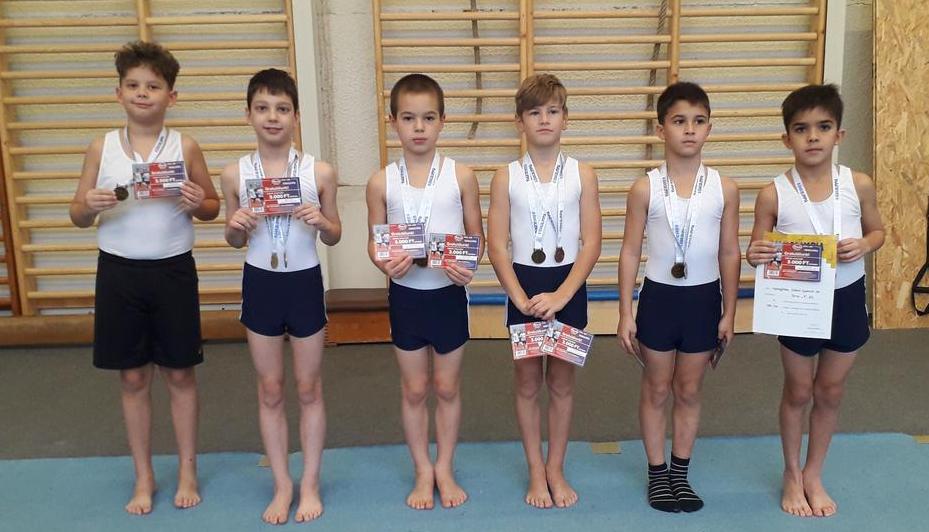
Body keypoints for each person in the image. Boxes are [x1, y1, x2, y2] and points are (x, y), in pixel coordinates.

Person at [69, 40, 220, 515]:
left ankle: (188, 469)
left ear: (170, 96)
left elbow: (212, 207)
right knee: (133, 376)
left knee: (180, 372)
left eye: (153, 86)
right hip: (119, 271)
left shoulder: (184, 146)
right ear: (118, 93)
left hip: (172, 270)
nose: (142, 93)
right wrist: (89, 205)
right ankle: (143, 475)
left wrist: (197, 202)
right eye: (133, 85)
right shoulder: (101, 147)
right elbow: (76, 214)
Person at [746, 84, 884, 518]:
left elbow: (879, 231)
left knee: (830, 390)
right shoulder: (773, 193)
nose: (812, 137)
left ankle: (813, 473)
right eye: (801, 129)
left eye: (823, 127)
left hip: (846, 298)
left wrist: (864, 244)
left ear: (839, 134)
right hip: (798, 302)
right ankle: (791, 472)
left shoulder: (857, 184)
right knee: (799, 389)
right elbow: (755, 248)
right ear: (786, 138)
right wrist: (757, 252)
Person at [222, 68, 341, 524]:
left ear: (296, 115)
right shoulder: (235, 173)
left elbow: (334, 234)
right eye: (263, 108)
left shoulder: (318, 171)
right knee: (270, 388)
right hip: (261, 283)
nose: (272, 117)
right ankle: (281, 484)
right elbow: (234, 239)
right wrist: (235, 227)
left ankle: (309, 483)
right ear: (248, 114)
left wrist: (321, 221)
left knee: (309, 387)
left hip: (303, 281)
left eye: (282, 109)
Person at [617, 82, 740, 513]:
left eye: (699, 121)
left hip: (703, 300)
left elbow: (729, 251)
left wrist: (729, 311)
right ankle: (657, 473)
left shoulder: (724, 188)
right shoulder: (645, 188)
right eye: (679, 121)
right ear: (660, 129)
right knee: (656, 387)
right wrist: (625, 312)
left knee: (688, 389)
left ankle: (680, 474)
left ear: (709, 128)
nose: (689, 130)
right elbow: (629, 250)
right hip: (659, 299)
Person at [365, 73, 484, 510]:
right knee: (415, 389)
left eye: (428, 118)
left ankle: (445, 467)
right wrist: (384, 262)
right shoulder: (381, 182)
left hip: (448, 295)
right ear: (393, 121)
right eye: (409, 118)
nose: (419, 127)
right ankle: (421, 469)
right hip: (406, 297)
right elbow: (375, 241)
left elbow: (476, 236)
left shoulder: (461, 176)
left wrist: (468, 263)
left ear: (442, 122)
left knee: (447, 387)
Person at [487, 73, 601, 509]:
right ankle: (535, 469)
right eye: (534, 112)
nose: (544, 119)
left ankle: (556, 467)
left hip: (568, 285)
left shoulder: (582, 174)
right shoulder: (506, 177)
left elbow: (591, 242)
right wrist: (518, 297)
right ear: (520, 122)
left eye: (553, 111)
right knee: (527, 382)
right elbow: (498, 245)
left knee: (563, 383)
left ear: (565, 118)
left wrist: (563, 296)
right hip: (525, 285)